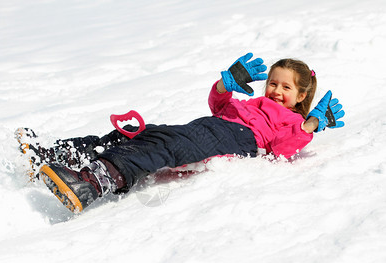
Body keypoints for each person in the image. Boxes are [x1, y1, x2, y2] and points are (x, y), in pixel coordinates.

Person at [20, 53, 345, 212]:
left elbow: (285, 147)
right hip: (213, 126)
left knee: (167, 146)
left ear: (301, 96)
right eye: (273, 83)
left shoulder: (292, 123)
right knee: (140, 134)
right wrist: (224, 85)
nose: (275, 90)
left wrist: (311, 125)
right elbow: (218, 105)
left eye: (285, 87)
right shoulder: (254, 102)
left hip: (239, 140)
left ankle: (93, 183)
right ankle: (55, 154)